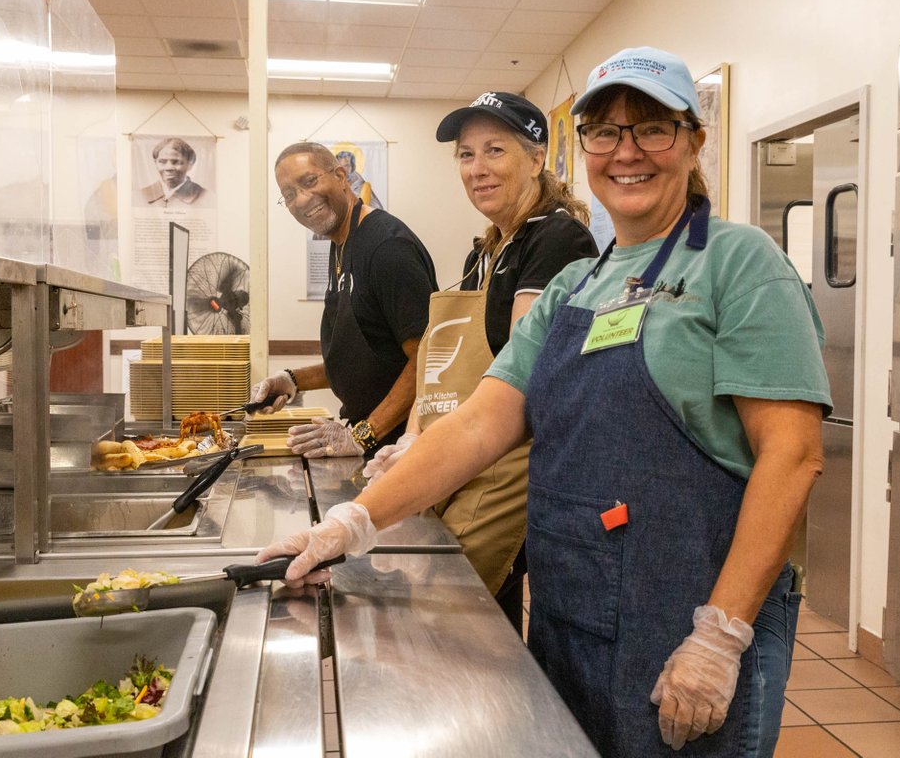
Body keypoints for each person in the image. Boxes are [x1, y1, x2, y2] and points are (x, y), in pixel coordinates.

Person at [258, 47, 831, 757]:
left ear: (693, 140)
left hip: (690, 612)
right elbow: (477, 424)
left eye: (652, 128)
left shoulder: (739, 262)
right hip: (573, 614)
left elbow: (794, 455)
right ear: (582, 146)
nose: (627, 152)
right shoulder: (575, 286)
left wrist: (721, 633)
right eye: (605, 132)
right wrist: (350, 524)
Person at [363, 91, 598, 632]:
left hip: (508, 462)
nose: (477, 169)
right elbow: (441, 362)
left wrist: (431, 446)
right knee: (447, 611)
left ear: (537, 159)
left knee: (458, 617)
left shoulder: (556, 238)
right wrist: (412, 439)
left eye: (495, 150)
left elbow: (523, 374)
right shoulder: (487, 248)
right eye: (466, 155)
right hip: (457, 452)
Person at [251, 142, 437, 458]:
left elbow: (427, 360)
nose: (302, 199)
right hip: (370, 440)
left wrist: (362, 435)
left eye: (309, 181)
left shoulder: (387, 248)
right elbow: (367, 356)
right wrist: (293, 380)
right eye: (290, 194)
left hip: (399, 448)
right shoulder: (342, 242)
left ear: (340, 176)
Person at [138, 137, 211, 206]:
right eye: (162, 162)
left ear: (190, 164)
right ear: (155, 163)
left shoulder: (206, 197)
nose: (169, 168)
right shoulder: (138, 196)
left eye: (176, 162)